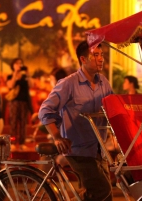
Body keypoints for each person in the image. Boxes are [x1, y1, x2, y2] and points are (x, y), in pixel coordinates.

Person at [38, 40, 113, 201]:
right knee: (101, 189)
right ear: (83, 59)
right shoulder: (68, 84)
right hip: (79, 150)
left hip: (100, 150)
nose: (100, 59)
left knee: (105, 196)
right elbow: (45, 110)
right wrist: (57, 137)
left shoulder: (103, 83)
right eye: (95, 55)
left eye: (102, 55)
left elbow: (113, 108)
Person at [6, 58, 33, 148]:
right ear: (13, 65)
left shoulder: (25, 77)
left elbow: (31, 85)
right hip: (14, 102)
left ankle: (22, 143)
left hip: (24, 102)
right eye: (17, 63)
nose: (19, 65)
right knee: (13, 123)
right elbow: (10, 85)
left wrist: (28, 74)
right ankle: (13, 143)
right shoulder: (10, 76)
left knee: (23, 123)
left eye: (20, 63)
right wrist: (15, 74)